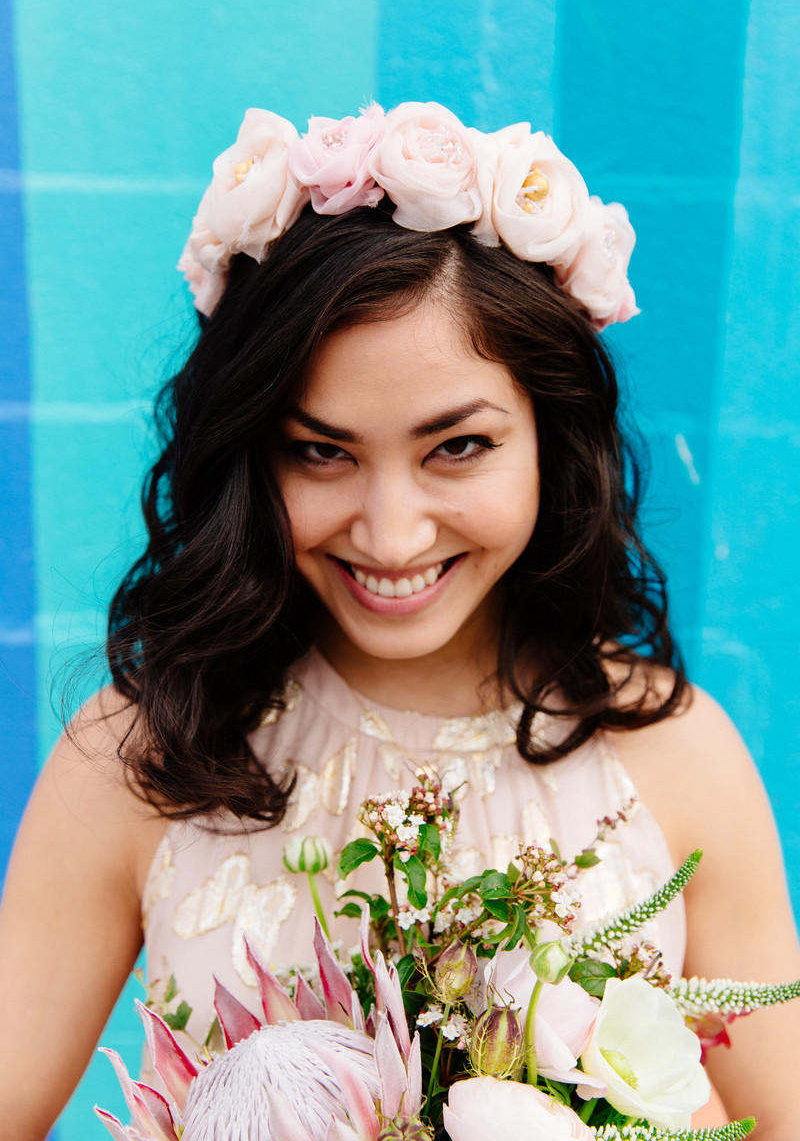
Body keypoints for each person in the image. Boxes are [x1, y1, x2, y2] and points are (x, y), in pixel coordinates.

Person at [0, 102, 798, 1141]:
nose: (388, 533)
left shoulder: (673, 754)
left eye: (455, 447)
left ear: (552, 440)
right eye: (320, 451)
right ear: (249, 454)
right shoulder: (143, 753)